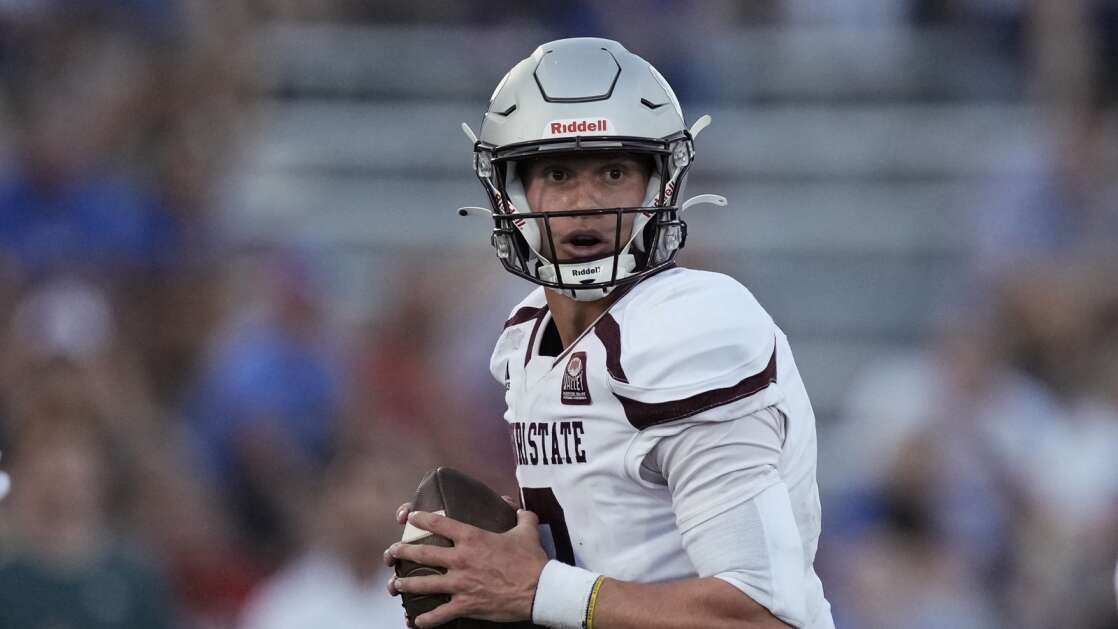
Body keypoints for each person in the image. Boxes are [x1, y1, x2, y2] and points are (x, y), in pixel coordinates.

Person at [385, 38, 834, 629]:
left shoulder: (693, 330)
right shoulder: (526, 335)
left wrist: (540, 588)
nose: (585, 203)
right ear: (512, 193)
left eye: (614, 172)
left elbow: (762, 618)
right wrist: (495, 566)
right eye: (558, 172)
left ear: (659, 186)